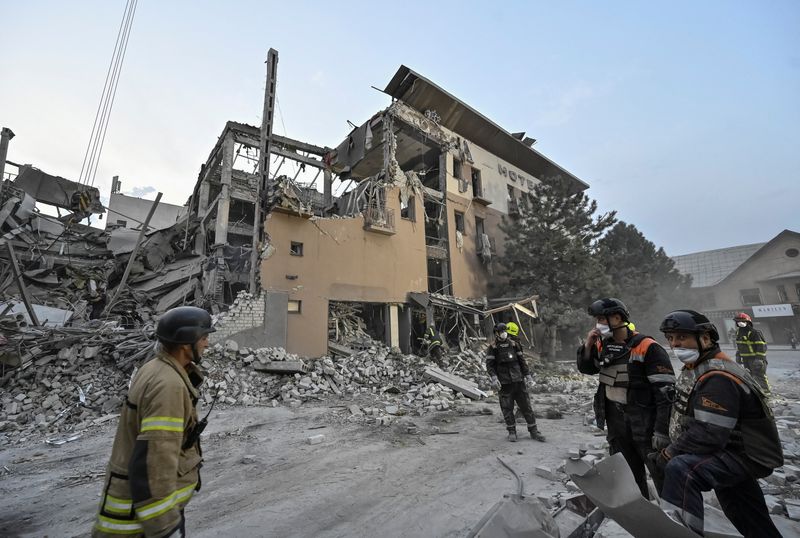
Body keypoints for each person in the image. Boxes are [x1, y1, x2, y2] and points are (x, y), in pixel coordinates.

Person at [653, 310, 782, 537]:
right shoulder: (701, 367)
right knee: (746, 514)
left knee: (682, 469)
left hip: (741, 454)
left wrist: (670, 453)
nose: (675, 344)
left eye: (682, 337)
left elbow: (708, 433)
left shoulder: (718, 377)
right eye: (671, 338)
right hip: (729, 450)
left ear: (705, 338)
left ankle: (681, 533)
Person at [93, 306, 215, 537]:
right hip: (142, 522)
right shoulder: (168, 385)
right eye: (204, 337)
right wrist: (164, 526)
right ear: (184, 342)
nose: (207, 344)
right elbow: (154, 460)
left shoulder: (154, 368)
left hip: (137, 512)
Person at [577, 298, 675, 498]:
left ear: (617, 317)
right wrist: (587, 345)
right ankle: (642, 517)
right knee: (628, 475)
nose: (599, 324)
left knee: (660, 472)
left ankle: (673, 519)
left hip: (644, 421)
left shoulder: (647, 346)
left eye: (602, 319)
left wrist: (661, 431)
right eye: (597, 319)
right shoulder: (602, 345)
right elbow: (587, 368)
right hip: (616, 421)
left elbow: (666, 395)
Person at [486, 322, 545, 442]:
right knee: (507, 408)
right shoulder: (493, 348)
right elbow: (490, 366)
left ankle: (534, 431)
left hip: (518, 381)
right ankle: (512, 432)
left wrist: (528, 376)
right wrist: (494, 378)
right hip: (504, 383)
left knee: (526, 407)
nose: (504, 333)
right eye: (501, 331)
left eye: (505, 331)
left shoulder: (514, 345)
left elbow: (522, 361)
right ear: (497, 334)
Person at [733, 312, 770, 394]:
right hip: (746, 359)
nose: (740, 323)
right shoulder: (738, 333)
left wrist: (759, 359)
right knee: (750, 376)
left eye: (742, 321)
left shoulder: (755, 332)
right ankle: (756, 392)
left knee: (760, 376)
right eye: (738, 321)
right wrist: (738, 356)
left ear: (748, 322)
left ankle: (766, 392)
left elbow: (762, 346)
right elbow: (740, 345)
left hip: (756, 358)